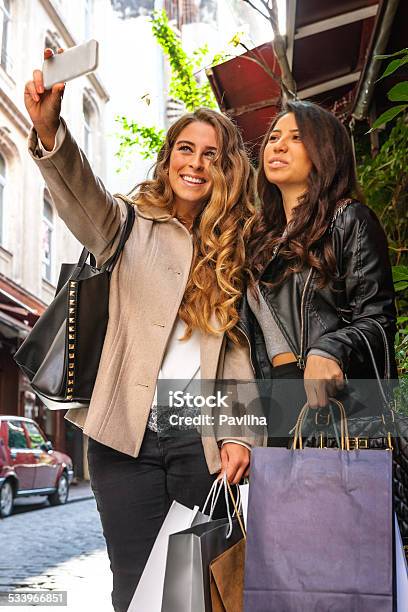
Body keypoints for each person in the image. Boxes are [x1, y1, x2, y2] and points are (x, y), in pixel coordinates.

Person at [24, 48, 264, 612]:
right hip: (122, 437)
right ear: (168, 158)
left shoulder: (235, 248)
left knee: (191, 590)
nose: (196, 163)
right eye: (186, 149)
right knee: (136, 588)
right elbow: (82, 196)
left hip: (198, 440)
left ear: (226, 169)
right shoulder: (127, 224)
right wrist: (51, 130)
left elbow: (236, 354)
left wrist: (240, 433)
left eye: (212, 154)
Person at [238, 99, 397, 443]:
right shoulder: (258, 240)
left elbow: (378, 319)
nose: (277, 145)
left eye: (296, 138)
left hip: (335, 399)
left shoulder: (348, 220)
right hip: (273, 401)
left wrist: (330, 349)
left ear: (323, 151)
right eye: (274, 136)